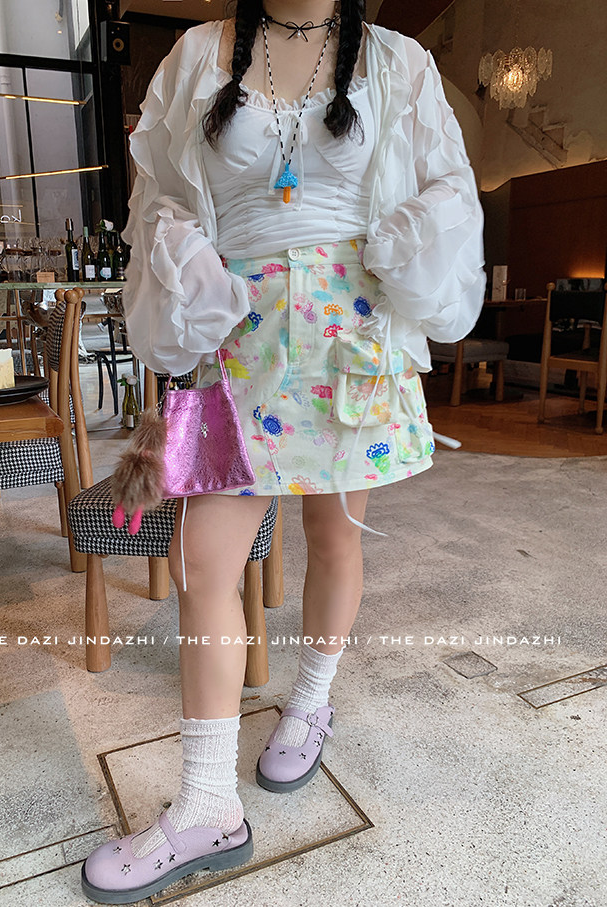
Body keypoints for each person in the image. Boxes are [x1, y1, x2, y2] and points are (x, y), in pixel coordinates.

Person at [81, 0, 486, 902]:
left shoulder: (395, 61)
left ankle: (309, 701)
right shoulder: (198, 54)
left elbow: (448, 186)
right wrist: (184, 252)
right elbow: (159, 192)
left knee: (335, 537)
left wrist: (401, 240)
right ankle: (207, 803)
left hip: (353, 333)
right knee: (201, 561)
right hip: (236, 329)